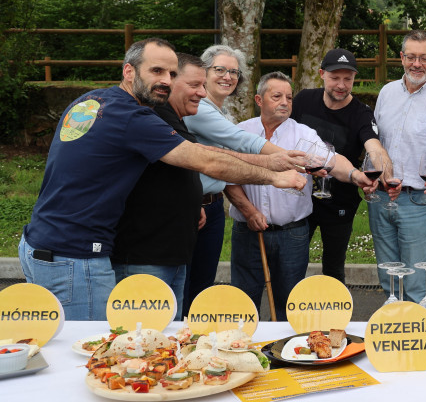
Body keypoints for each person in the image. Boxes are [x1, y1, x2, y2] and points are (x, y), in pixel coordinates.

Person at [18, 39, 307, 320]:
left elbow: (191, 153)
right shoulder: (132, 117)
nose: (166, 80)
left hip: (43, 242)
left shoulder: (93, 100)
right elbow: (205, 159)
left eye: (171, 73)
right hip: (76, 255)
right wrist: (272, 176)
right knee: (93, 351)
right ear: (129, 72)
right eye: (156, 71)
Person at [225, 72, 374, 320]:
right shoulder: (240, 132)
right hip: (247, 231)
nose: (285, 102)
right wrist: (249, 212)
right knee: (244, 304)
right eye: (277, 96)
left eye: (289, 97)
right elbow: (227, 177)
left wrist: (356, 175)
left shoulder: (303, 134)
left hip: (292, 234)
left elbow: (331, 161)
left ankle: (284, 356)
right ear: (259, 100)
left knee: (289, 305)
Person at [182, 44, 303, 315]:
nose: (228, 76)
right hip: (193, 207)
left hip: (210, 207)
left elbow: (229, 161)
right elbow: (239, 143)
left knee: (200, 284)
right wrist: (282, 159)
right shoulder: (199, 109)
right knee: (187, 287)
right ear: (203, 72)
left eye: (234, 72)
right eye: (220, 70)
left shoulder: (220, 111)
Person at [112, 53, 207, 318]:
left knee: (166, 341)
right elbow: (203, 159)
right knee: (143, 343)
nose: (203, 94)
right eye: (195, 85)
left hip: (169, 255)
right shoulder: (153, 115)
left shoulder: (172, 117)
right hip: (144, 259)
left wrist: (192, 202)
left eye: (204, 86)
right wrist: (275, 171)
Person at [370, 30, 426, 302]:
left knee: (416, 283)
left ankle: (418, 341)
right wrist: (370, 175)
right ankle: (391, 339)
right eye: (411, 57)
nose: (416, 64)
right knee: (388, 279)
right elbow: (374, 137)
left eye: (424, 58)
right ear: (401, 58)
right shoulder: (386, 93)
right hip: (382, 197)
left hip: (418, 199)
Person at [291, 49, 389, 284]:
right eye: (335, 77)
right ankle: (288, 318)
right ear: (322, 74)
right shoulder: (304, 99)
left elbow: (374, 147)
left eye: (348, 79)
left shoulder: (362, 113)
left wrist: (383, 172)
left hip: (339, 203)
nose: (342, 85)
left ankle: (336, 318)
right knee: (292, 265)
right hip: (300, 196)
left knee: (334, 268)